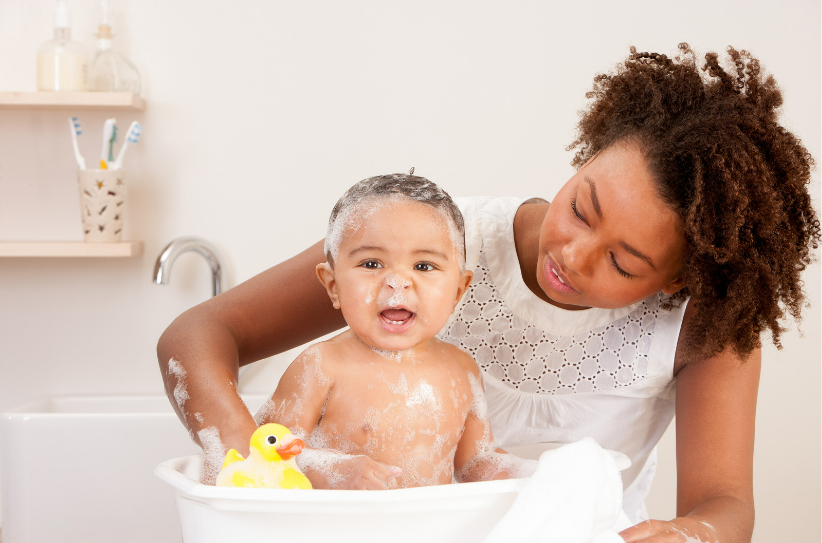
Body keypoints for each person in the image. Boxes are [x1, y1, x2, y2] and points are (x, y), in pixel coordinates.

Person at [157, 44, 819, 542]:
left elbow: (725, 502)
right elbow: (197, 336)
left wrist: (689, 533)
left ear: (675, 278)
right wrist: (258, 474)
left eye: (622, 260)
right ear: (587, 152)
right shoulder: (431, 246)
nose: (572, 254)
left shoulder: (703, 324)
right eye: (583, 207)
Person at [252, 175, 535, 488]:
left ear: (458, 291)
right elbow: (265, 452)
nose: (398, 281)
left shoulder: (461, 370)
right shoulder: (322, 365)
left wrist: (541, 474)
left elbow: (476, 463)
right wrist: (332, 471)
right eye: (372, 264)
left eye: (424, 266)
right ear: (333, 286)